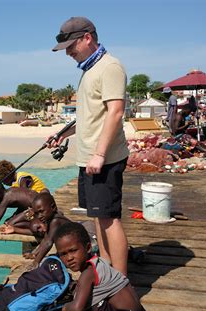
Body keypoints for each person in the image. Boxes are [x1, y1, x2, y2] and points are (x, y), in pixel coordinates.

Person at [49, 16, 130, 275]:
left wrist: (99, 154)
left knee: (109, 220)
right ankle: (106, 270)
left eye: (72, 46)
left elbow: (115, 113)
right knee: (97, 217)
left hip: (102, 159)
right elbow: (89, 115)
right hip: (89, 159)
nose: (69, 53)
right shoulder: (88, 70)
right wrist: (64, 133)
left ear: (87, 38)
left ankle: (120, 281)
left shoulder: (110, 67)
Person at [55, 222, 147, 311]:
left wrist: (65, 307)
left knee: (86, 306)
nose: (69, 258)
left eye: (73, 250)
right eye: (63, 254)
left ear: (88, 248)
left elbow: (77, 309)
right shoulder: (99, 262)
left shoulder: (88, 274)